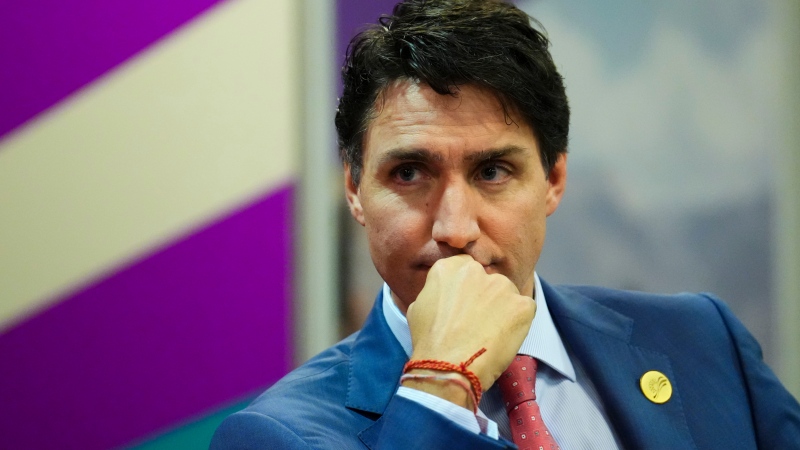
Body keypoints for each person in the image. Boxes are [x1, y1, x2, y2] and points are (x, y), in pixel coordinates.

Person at [210, 0, 800, 448]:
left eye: (492, 170)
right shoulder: (276, 434)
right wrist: (441, 386)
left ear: (554, 180)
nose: (456, 227)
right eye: (410, 172)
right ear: (354, 190)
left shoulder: (703, 340)